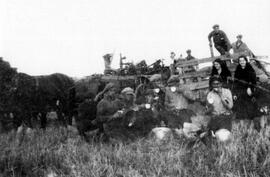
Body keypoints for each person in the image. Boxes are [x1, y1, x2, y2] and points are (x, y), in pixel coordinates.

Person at [232, 56, 261, 127]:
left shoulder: (250, 69)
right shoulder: (238, 69)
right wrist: (235, 93)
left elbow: (253, 81)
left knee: (251, 106)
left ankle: (256, 123)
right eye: (240, 61)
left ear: (246, 61)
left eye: (243, 60)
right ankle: (246, 125)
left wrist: (249, 88)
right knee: (240, 106)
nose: (242, 62)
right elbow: (235, 82)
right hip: (240, 90)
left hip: (249, 89)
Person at [206, 76, 233, 141]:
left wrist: (221, 95)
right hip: (215, 118)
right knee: (211, 137)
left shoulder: (227, 92)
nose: (216, 86)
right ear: (211, 85)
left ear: (221, 84)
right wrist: (210, 107)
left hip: (225, 117)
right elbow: (207, 111)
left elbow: (230, 106)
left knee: (223, 137)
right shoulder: (210, 94)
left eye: (217, 84)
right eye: (214, 84)